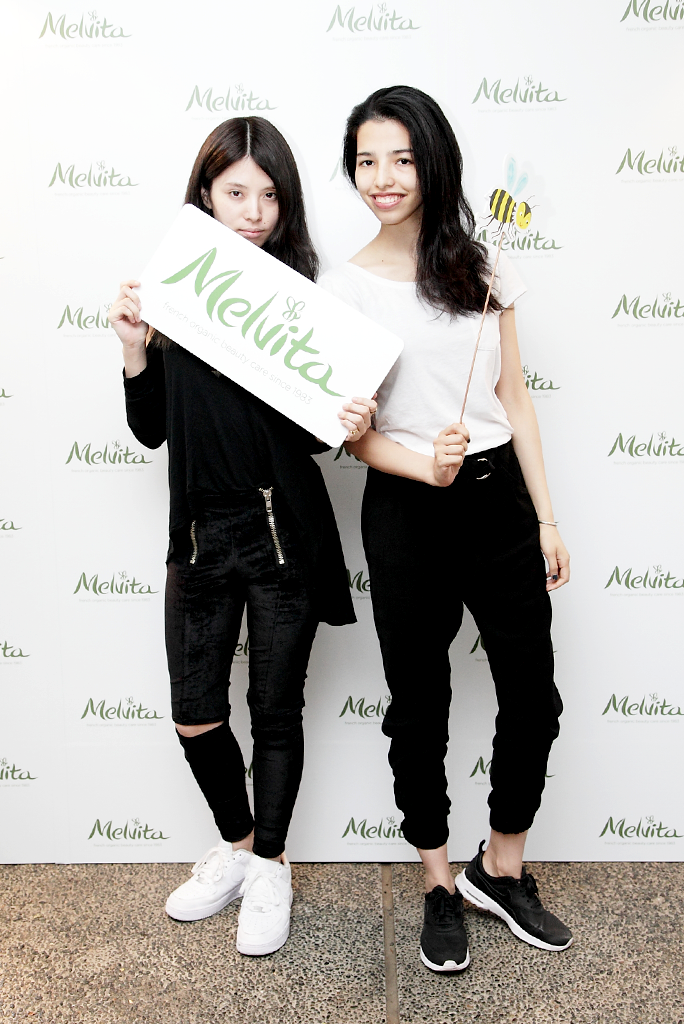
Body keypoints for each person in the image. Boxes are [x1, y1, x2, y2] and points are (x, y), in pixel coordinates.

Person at [108, 117, 376, 957]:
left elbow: (310, 442)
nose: (254, 211)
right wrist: (133, 349)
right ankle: (237, 846)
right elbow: (152, 430)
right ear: (205, 195)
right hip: (198, 534)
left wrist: (346, 418)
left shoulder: (304, 303)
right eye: (235, 193)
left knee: (274, 712)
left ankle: (271, 867)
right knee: (195, 715)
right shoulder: (175, 292)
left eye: (269, 195)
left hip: (280, 532)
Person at [319, 86, 572, 973]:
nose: (381, 178)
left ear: (432, 161)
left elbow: (515, 397)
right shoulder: (341, 287)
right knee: (419, 705)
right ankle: (436, 881)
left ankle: (500, 868)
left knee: (533, 696)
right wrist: (421, 462)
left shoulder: (485, 264)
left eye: (400, 158)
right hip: (406, 509)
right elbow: (355, 437)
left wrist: (546, 518)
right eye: (365, 161)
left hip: (498, 500)